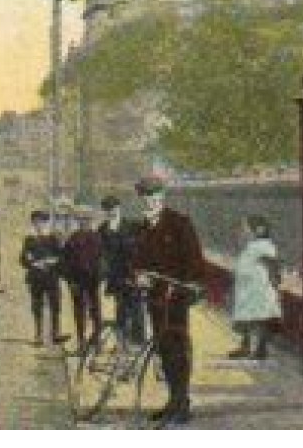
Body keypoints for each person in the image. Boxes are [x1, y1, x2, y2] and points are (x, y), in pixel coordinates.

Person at [132, 175, 207, 428]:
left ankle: (181, 405)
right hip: (155, 297)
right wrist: (139, 274)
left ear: (162, 196)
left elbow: (195, 261)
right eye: (145, 196)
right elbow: (138, 260)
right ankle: (172, 403)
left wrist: (184, 285)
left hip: (176, 297)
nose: (150, 200)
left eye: (154, 195)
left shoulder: (179, 223)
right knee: (163, 350)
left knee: (178, 351)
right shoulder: (142, 226)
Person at [229, 215, 282, 362]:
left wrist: (275, 282)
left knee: (261, 317)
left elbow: (272, 264)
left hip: (259, 288)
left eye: (246, 228)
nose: (243, 231)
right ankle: (246, 347)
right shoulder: (252, 245)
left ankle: (260, 349)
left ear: (259, 230)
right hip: (247, 288)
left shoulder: (264, 245)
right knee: (246, 317)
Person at [98, 194, 144, 345]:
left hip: (133, 274)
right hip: (116, 276)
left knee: (137, 306)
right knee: (121, 308)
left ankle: (138, 342)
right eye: (108, 209)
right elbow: (101, 253)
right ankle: (122, 341)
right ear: (105, 211)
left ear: (119, 208)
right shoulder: (102, 229)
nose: (111, 211)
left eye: (114, 208)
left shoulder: (132, 225)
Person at [20, 208, 67, 346]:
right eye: (36, 222)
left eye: (41, 222)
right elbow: (23, 258)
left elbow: (61, 256)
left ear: (46, 223)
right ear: (33, 223)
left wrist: (51, 261)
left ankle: (55, 333)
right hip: (36, 277)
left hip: (51, 276)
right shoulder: (29, 239)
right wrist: (33, 263)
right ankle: (38, 335)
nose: (39, 225)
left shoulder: (53, 238)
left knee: (55, 305)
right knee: (37, 305)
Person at [62, 206, 104, 351]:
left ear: (91, 222)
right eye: (82, 220)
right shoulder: (72, 239)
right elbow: (65, 262)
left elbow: (101, 260)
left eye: (87, 220)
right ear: (78, 222)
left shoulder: (97, 238)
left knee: (96, 311)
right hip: (77, 281)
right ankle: (81, 341)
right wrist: (70, 281)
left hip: (93, 280)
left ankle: (97, 340)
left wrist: (99, 278)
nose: (84, 223)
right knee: (80, 311)